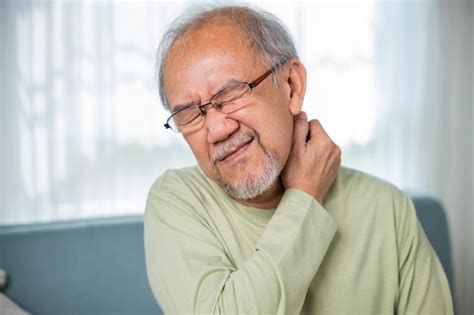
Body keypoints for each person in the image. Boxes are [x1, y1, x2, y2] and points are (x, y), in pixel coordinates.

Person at [144, 4, 453, 314]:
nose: (216, 129)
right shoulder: (175, 201)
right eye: (188, 114)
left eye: (231, 94)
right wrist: (306, 194)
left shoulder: (386, 208)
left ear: (292, 86)